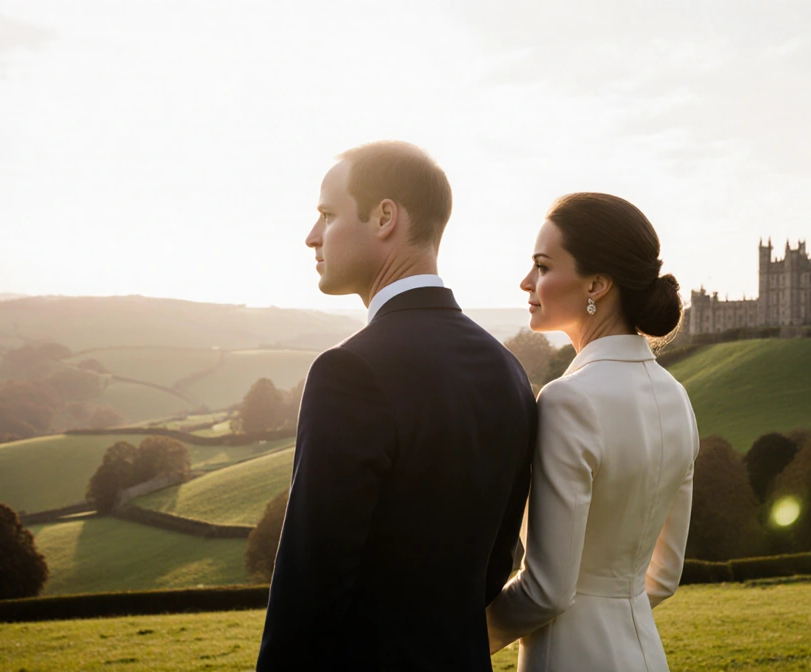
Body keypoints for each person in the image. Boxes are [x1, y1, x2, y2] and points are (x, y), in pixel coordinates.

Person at [256, 141, 536, 671]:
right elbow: (495, 564)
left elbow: (309, 589)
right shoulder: (508, 370)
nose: (312, 236)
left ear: (385, 216)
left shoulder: (349, 372)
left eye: (327, 214)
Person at [486, 193, 699, 672]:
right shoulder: (677, 399)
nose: (527, 281)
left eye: (542, 266)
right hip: (643, 653)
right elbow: (663, 577)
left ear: (597, 284)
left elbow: (545, 591)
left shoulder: (568, 401)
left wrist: (457, 642)